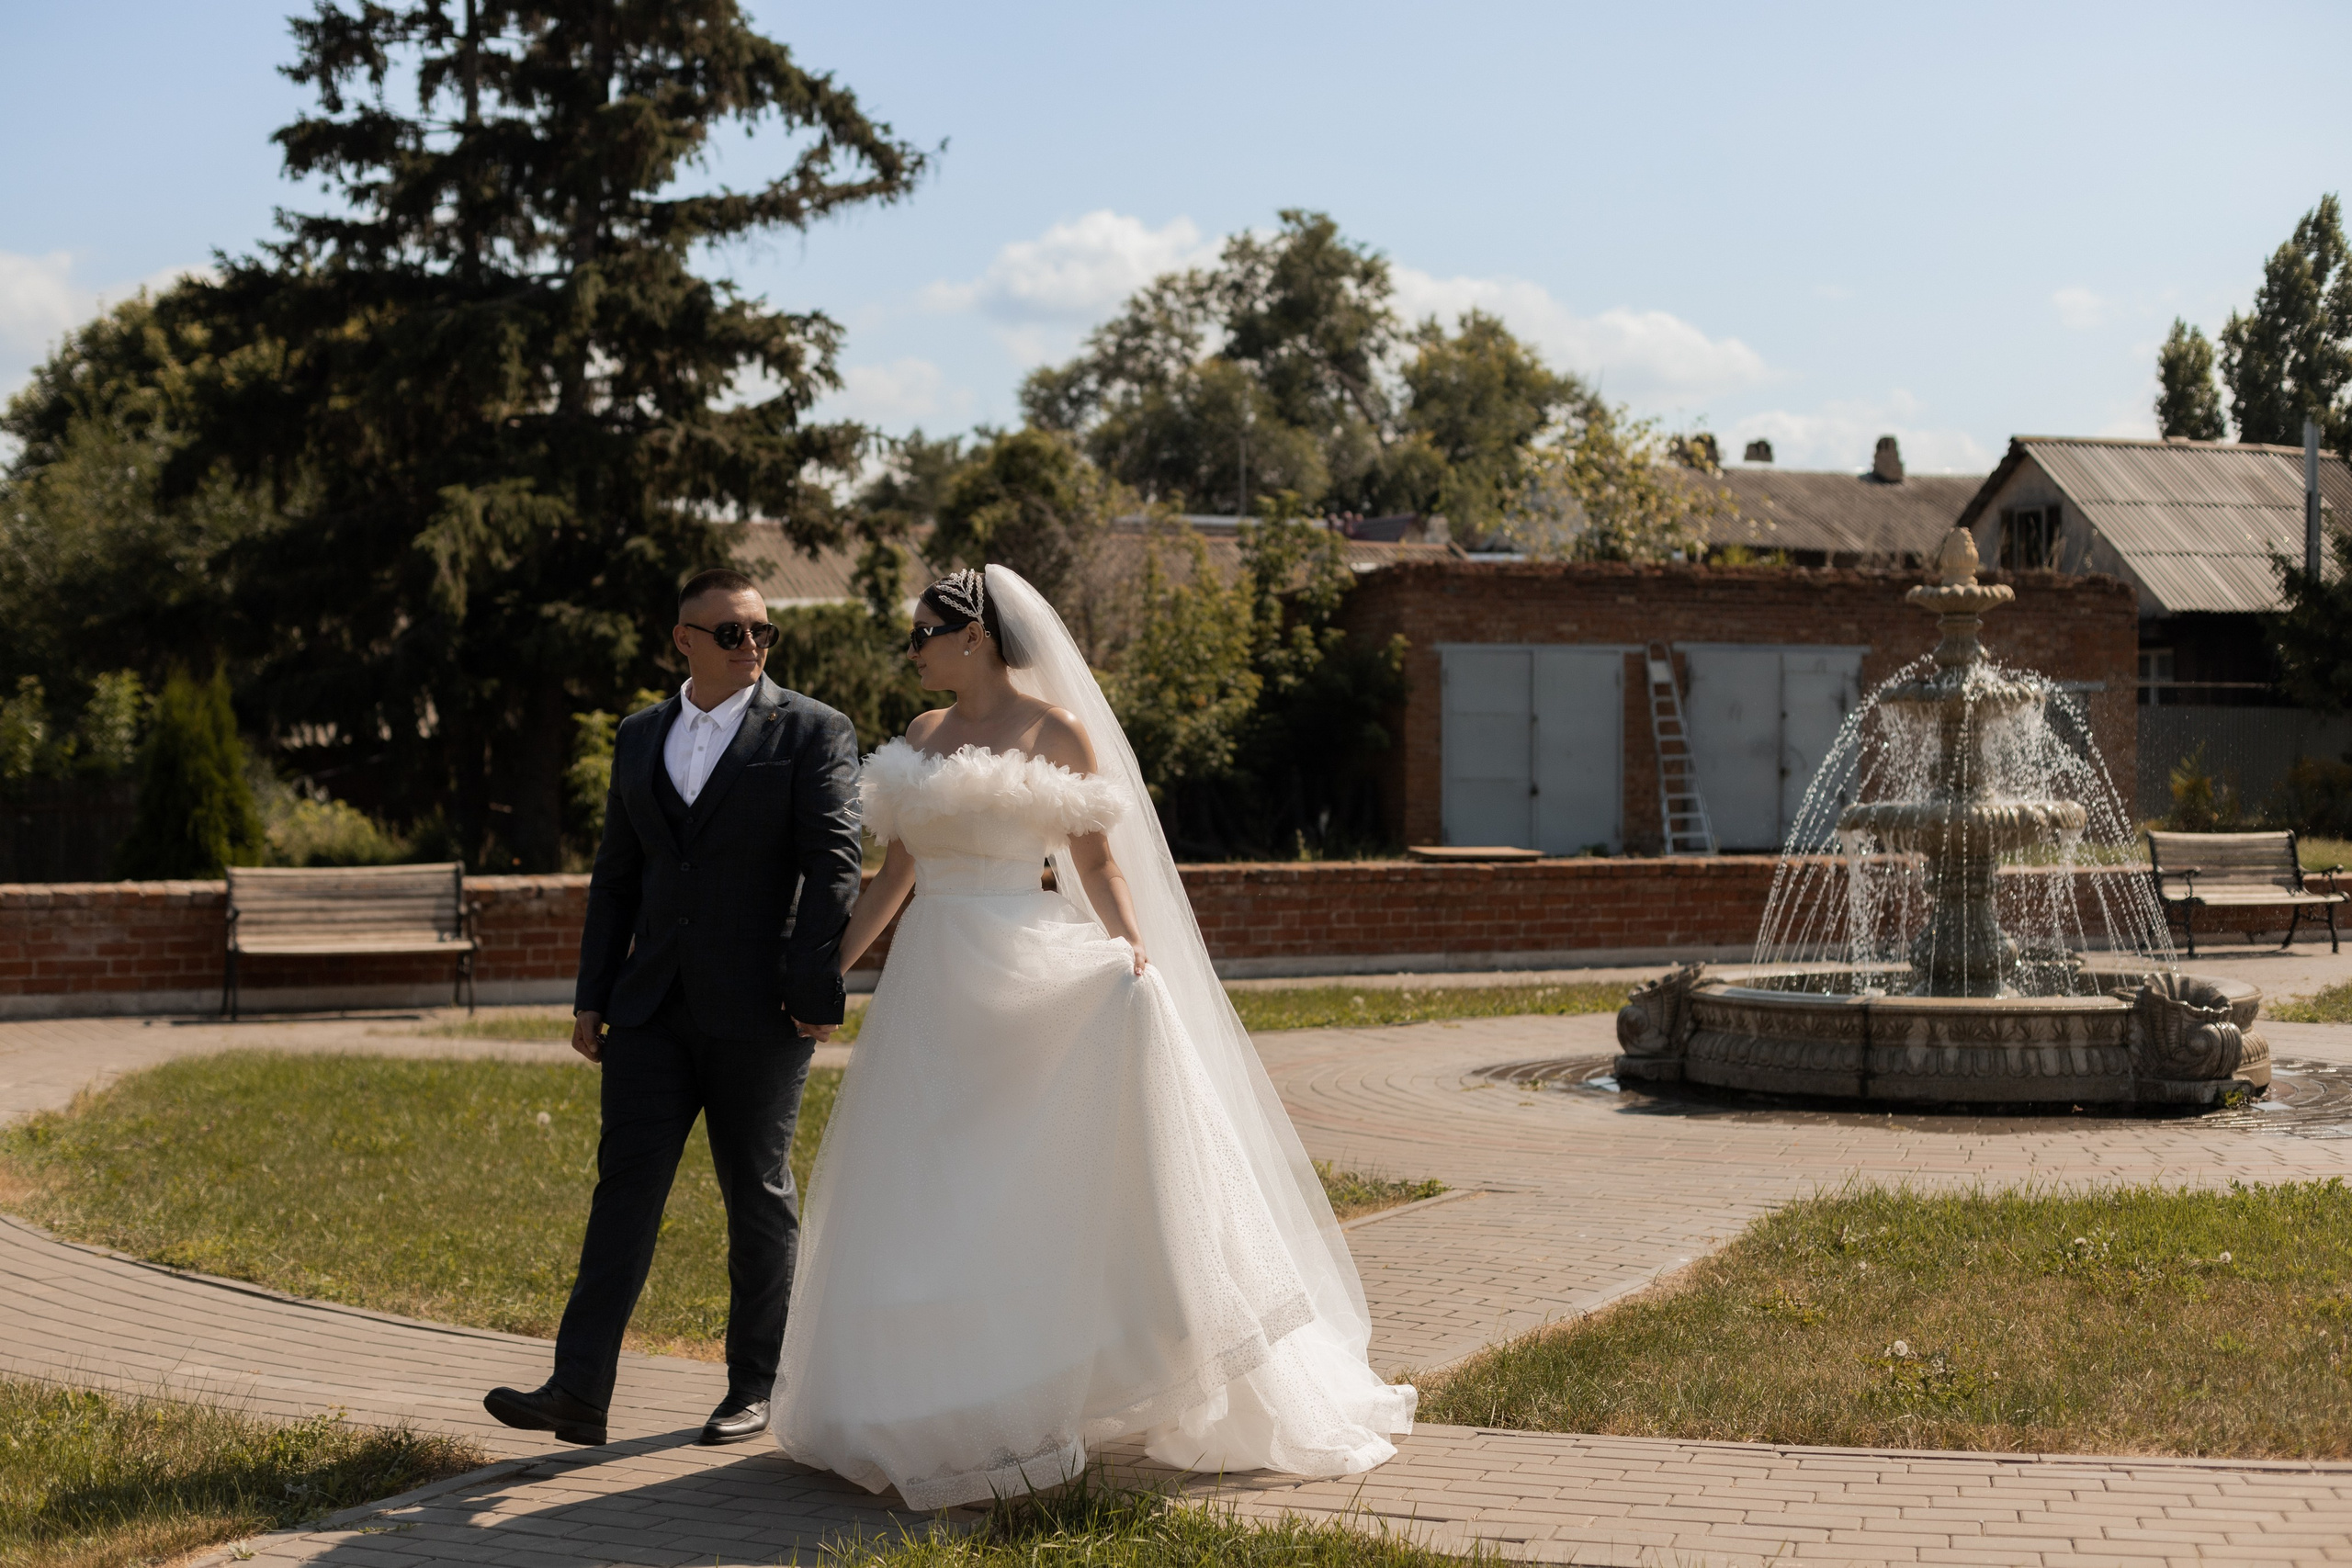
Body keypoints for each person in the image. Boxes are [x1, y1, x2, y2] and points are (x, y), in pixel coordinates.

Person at [771, 565, 1415, 1508]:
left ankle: (1059, 1376)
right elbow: (896, 872)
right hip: (931, 984)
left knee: (1022, 1175)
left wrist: (1132, 952)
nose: (909, 652)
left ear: (975, 637)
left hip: (1024, 964)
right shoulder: (919, 736)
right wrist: (830, 964)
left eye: (921, 635)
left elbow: (1096, 856)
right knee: (927, 1182)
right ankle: (924, 1399)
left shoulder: (1054, 732)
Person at [484, 569, 863, 1449]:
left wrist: (812, 985)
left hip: (760, 1009)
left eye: (764, 633)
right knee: (623, 1194)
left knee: (756, 1195)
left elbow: (835, 862)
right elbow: (618, 873)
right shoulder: (640, 733)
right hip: (650, 1006)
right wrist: (592, 993)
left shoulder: (812, 730)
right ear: (682, 639)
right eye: (732, 632)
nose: (753, 646)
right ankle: (578, 1391)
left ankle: (754, 1384)